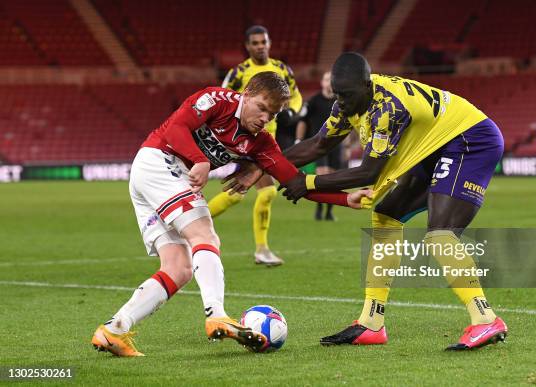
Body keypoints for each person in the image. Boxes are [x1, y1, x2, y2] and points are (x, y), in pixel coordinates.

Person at [226, 53, 508, 350]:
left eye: (347, 95)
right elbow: (319, 144)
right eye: (338, 95)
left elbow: (369, 172)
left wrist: (308, 182)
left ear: (366, 86)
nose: (342, 103)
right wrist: (261, 165)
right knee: (386, 216)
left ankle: (485, 318)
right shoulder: (348, 103)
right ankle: (371, 323)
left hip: (471, 140)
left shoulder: (386, 108)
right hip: (434, 148)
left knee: (440, 234)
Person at [90, 72, 368, 357]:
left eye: (272, 114)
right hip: (159, 161)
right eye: (261, 107)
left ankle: (114, 330)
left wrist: (346, 199)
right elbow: (176, 127)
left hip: (163, 177)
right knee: (204, 235)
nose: (265, 118)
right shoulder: (216, 99)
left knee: (179, 268)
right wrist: (199, 159)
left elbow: (294, 181)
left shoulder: (261, 142)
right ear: (246, 94)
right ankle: (217, 314)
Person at [207, 25, 303, 266]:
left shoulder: (281, 68)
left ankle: (190, 226)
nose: (260, 46)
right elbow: (222, 97)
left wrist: (294, 110)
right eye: (256, 43)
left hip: (266, 141)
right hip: (243, 139)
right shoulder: (240, 72)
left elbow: (296, 94)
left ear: (269, 43)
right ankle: (261, 249)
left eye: (264, 42)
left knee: (236, 195)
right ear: (248, 47)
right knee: (264, 191)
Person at [296, 71, 342, 220]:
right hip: (320, 144)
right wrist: (299, 140)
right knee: (322, 176)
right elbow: (303, 121)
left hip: (337, 144)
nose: (329, 82)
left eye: (332, 79)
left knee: (333, 179)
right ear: (322, 83)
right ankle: (319, 207)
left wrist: (348, 145)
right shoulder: (314, 101)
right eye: (327, 79)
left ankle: (329, 211)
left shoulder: (341, 101)